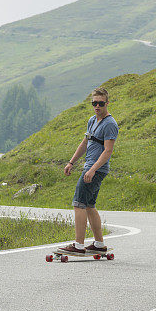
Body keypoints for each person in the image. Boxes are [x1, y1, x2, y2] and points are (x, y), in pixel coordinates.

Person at [57, 87, 118, 256]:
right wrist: (71, 162)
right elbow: (84, 143)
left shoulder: (110, 124)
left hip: (96, 169)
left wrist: (92, 170)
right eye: (94, 103)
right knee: (89, 205)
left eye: (100, 103)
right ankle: (99, 244)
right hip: (89, 168)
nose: (97, 106)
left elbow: (107, 151)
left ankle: (78, 245)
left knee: (79, 204)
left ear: (107, 103)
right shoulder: (92, 120)